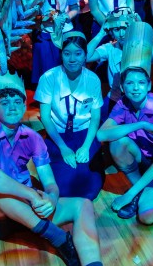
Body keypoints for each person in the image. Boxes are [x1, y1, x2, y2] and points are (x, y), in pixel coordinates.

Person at [0, 72, 142, 266]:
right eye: (4, 102)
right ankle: (59, 238)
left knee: (82, 204)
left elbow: (50, 182)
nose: (12, 106)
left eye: (17, 101)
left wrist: (50, 196)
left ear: (24, 105)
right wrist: (30, 193)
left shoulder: (33, 138)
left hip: (28, 215)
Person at [97, 22, 153, 224]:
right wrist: (141, 125)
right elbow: (101, 134)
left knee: (147, 217)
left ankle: (143, 193)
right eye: (130, 83)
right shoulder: (123, 103)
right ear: (122, 87)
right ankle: (140, 192)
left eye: (141, 83)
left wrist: (127, 194)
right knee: (117, 142)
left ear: (149, 85)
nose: (135, 88)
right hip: (143, 158)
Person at [35, 31, 104, 200]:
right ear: (61, 54)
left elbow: (95, 117)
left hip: (85, 133)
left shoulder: (93, 79)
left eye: (78, 53)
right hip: (57, 135)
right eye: (67, 53)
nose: (72, 59)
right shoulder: (49, 78)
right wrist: (63, 147)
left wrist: (87, 146)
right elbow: (45, 117)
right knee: (62, 187)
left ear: (85, 55)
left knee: (89, 186)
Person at [86, 7, 153, 120]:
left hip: (136, 98)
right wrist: (101, 34)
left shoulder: (140, 47)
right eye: (116, 29)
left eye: (125, 28)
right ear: (111, 31)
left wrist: (140, 30)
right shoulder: (110, 48)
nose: (121, 34)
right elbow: (86, 56)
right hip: (115, 98)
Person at [31, 0, 79, 84]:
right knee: (48, 77)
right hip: (44, 33)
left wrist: (66, 16)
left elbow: (75, 7)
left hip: (65, 33)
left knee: (66, 74)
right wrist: (41, 19)